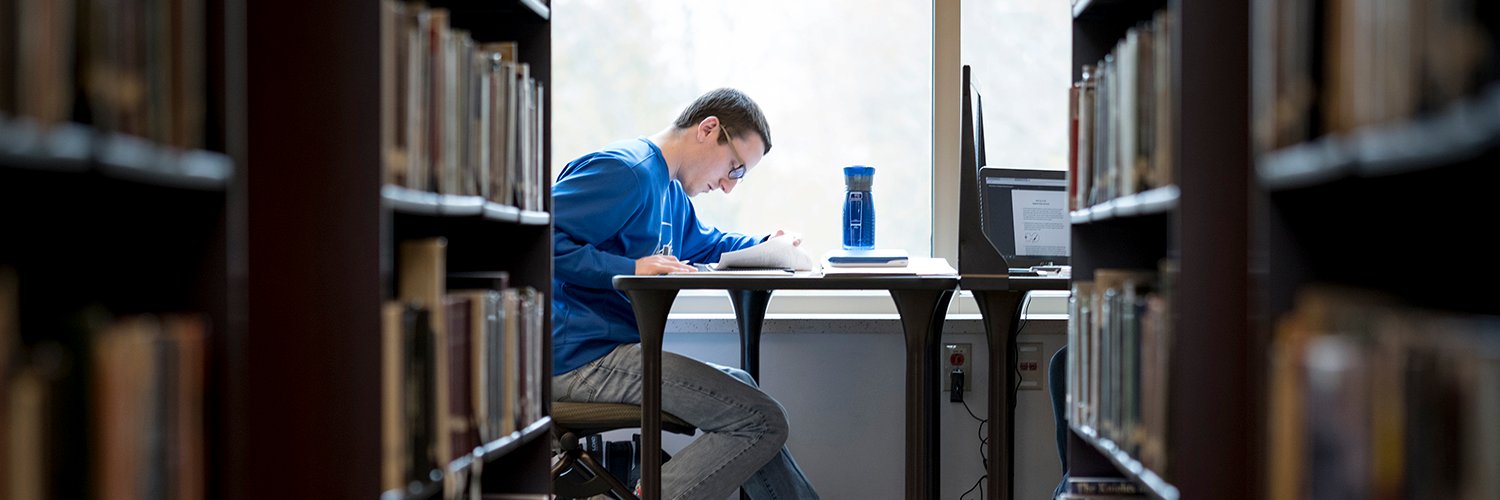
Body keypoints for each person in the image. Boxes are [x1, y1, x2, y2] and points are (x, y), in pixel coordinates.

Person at [551, 88, 820, 500]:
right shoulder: (627, 172)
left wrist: (768, 243)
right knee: (763, 421)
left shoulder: (669, 192)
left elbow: (709, 244)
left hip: (608, 353)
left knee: (745, 388)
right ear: (709, 129)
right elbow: (538, 239)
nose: (730, 186)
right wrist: (630, 269)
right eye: (735, 167)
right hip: (576, 360)